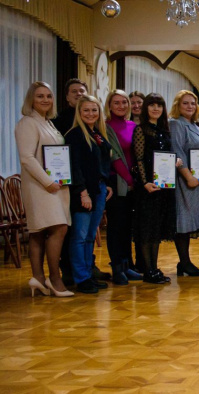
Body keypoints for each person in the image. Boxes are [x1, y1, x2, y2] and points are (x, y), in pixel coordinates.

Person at [15, 82, 73, 297]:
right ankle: (54, 279)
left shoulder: (48, 123)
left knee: (40, 232)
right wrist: (47, 181)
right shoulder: (28, 123)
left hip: (55, 183)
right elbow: (26, 158)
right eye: (40, 96)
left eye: (48, 96)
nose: (45, 100)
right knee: (58, 228)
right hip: (40, 185)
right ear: (31, 99)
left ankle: (38, 278)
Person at [64, 95, 113, 294]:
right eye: (86, 110)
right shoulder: (75, 135)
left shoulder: (98, 134)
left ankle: (88, 274)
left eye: (94, 110)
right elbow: (74, 167)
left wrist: (106, 184)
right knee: (80, 236)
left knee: (91, 236)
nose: (91, 114)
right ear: (79, 112)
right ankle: (81, 277)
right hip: (83, 192)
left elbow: (101, 163)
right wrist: (82, 192)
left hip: (99, 189)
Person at [169, 90, 199, 277]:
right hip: (186, 181)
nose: (190, 106)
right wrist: (188, 176)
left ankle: (185, 263)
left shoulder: (195, 125)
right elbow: (177, 151)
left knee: (190, 221)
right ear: (177, 106)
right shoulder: (176, 124)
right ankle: (184, 262)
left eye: (193, 103)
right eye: (185, 103)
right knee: (184, 221)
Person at [132, 94, 178, 284]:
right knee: (147, 230)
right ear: (146, 108)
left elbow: (165, 156)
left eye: (159, 105)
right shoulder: (140, 130)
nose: (156, 108)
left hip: (164, 186)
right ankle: (148, 270)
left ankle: (154, 267)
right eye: (152, 105)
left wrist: (175, 161)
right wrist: (145, 183)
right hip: (148, 188)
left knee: (157, 230)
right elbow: (139, 158)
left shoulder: (163, 130)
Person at [104, 89, 143, 284]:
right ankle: (117, 267)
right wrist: (129, 180)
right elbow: (114, 157)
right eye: (116, 103)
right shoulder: (105, 127)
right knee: (116, 227)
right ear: (109, 106)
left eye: (124, 102)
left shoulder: (132, 126)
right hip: (117, 182)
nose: (121, 106)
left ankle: (128, 266)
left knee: (127, 226)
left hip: (132, 183)